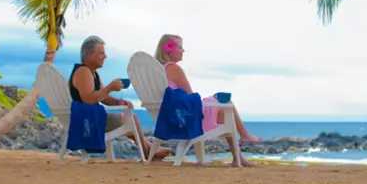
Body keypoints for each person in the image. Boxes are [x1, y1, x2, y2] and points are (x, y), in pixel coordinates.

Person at [155, 33, 260, 167]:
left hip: (172, 116)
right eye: (180, 48)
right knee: (225, 101)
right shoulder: (173, 68)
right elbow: (190, 95)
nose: (183, 51)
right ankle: (244, 135)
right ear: (169, 50)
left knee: (223, 113)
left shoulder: (160, 70)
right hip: (186, 117)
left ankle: (238, 157)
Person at [70, 35, 170, 162]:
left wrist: (117, 102)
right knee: (131, 119)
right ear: (90, 54)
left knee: (130, 122)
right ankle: (148, 152)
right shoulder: (83, 72)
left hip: (91, 116)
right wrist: (110, 87)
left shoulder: (92, 72)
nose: (105, 56)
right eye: (101, 53)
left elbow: (103, 97)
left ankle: (149, 150)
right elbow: (88, 99)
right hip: (87, 120)